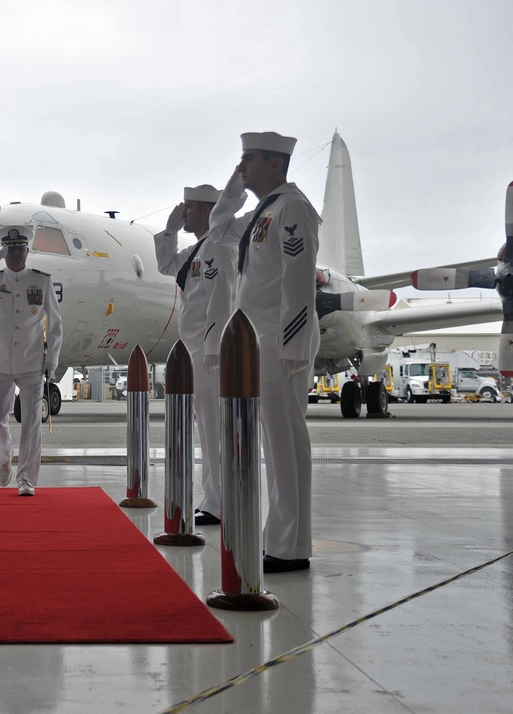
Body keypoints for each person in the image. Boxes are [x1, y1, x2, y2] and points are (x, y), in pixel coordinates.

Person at [209, 132, 320, 573]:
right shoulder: (262, 213)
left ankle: (290, 546)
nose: (243, 166)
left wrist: (293, 345)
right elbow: (218, 228)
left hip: (279, 343)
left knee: (285, 445)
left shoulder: (292, 208)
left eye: (249, 160)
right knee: (272, 446)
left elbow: (298, 278)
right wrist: (234, 188)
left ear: (276, 164)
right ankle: (279, 539)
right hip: (258, 345)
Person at [153, 184, 244, 527]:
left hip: (209, 351)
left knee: (212, 428)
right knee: (205, 428)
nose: (184, 212)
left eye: (188, 208)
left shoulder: (219, 248)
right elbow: (165, 264)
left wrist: (212, 347)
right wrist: (171, 229)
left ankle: (219, 502)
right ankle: (214, 498)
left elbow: (222, 300)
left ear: (207, 210)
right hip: (195, 348)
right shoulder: (200, 248)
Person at [0, 225, 63, 496]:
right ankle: (4, 457)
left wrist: (51, 358)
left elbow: (55, 322)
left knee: (31, 423)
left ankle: (27, 478)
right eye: (10, 249)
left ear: (28, 251)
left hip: (31, 361)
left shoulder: (41, 281)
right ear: (4, 253)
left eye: (20, 248)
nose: (16, 253)